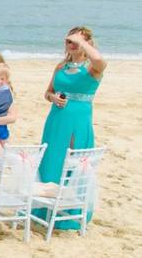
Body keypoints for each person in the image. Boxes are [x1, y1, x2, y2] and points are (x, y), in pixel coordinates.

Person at [36, 26, 106, 228]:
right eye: (69, 40)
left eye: (75, 40)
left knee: (73, 163)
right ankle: (46, 209)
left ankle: (69, 212)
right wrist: (53, 97)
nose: (71, 43)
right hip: (56, 119)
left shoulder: (92, 68)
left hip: (78, 121)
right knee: (52, 160)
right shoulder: (61, 67)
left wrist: (82, 42)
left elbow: (101, 61)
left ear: (87, 44)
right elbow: (47, 92)